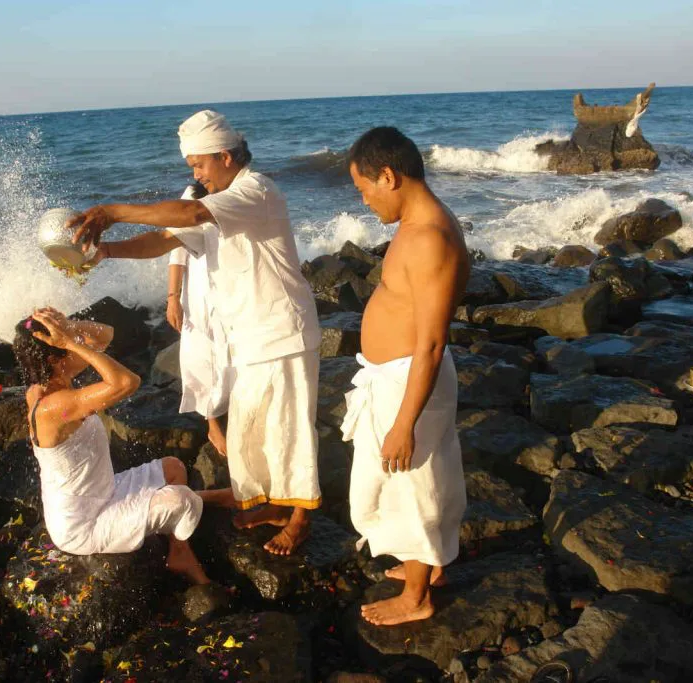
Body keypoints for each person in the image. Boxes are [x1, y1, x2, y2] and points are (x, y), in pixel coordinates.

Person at [68, 110, 322, 555]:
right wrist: (105, 251)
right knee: (251, 430)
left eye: (199, 165)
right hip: (249, 336)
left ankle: (301, 519)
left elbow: (190, 210)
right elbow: (165, 240)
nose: (197, 175)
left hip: (283, 331)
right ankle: (276, 504)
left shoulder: (254, 190)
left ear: (226, 156)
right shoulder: (219, 201)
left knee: (290, 428)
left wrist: (113, 210)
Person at [341, 127, 469, 626]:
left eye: (364, 188)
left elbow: (432, 342)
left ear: (389, 176)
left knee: (411, 486)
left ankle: (416, 598)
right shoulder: (419, 224)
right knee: (411, 480)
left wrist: (403, 422)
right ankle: (428, 567)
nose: (365, 200)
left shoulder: (428, 237)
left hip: (408, 381)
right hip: (396, 375)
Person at [13, 307, 210, 585]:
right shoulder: (55, 406)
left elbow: (104, 337)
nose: (74, 348)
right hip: (84, 524)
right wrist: (69, 342)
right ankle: (212, 504)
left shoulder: (52, 381)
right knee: (181, 499)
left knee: (174, 469)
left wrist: (68, 326)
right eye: (65, 348)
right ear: (54, 357)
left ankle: (179, 552)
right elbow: (127, 382)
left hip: (106, 490)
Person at [165, 181, 233, 456]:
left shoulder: (240, 191)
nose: (198, 172)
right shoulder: (193, 196)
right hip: (199, 289)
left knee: (232, 351)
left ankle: (234, 413)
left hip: (231, 286)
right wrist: (172, 297)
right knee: (200, 354)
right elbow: (175, 250)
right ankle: (213, 423)